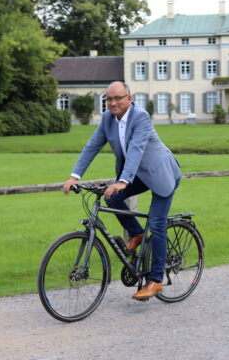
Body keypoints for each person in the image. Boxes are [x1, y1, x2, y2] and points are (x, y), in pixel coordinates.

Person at [63, 81, 181, 300]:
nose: (113, 102)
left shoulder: (141, 117)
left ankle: (155, 281)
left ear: (129, 98)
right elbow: (92, 146)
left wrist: (123, 180)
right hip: (138, 175)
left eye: (118, 98)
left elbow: (136, 149)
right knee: (112, 197)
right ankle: (136, 233)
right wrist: (74, 176)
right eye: (109, 99)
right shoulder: (108, 119)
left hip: (160, 174)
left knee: (156, 225)